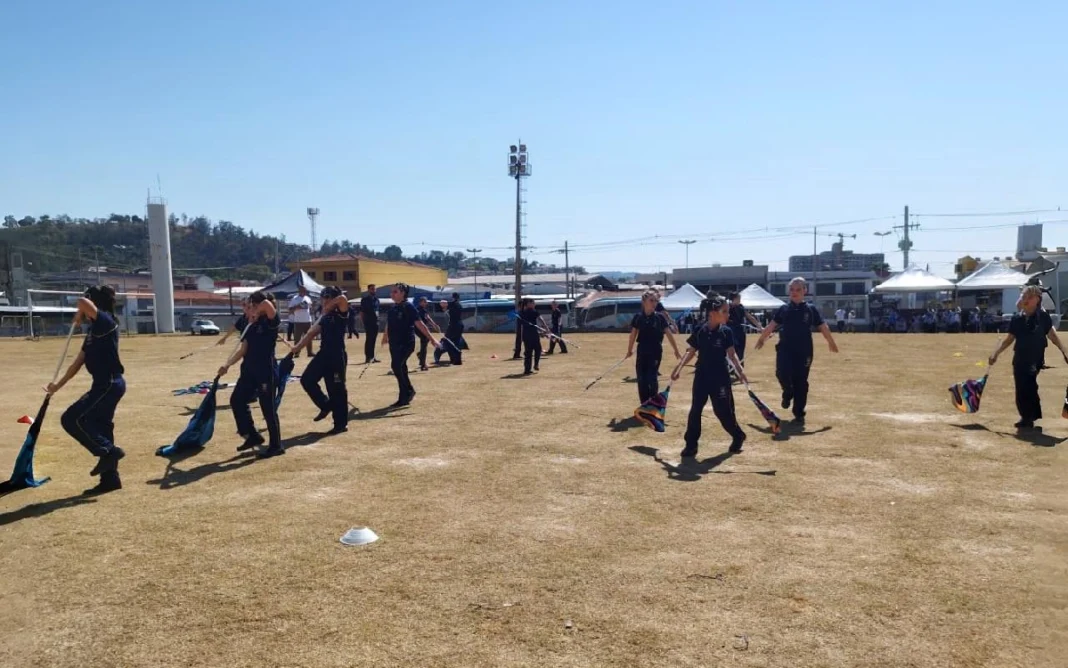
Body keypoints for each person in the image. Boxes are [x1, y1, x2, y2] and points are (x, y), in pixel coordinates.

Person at [46, 286, 127, 494]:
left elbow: (82, 302)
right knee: (101, 427)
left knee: (71, 419)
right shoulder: (93, 331)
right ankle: (110, 479)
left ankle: (109, 452)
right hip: (102, 384)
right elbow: (78, 363)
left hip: (109, 383)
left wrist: (79, 314)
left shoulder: (106, 321)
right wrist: (57, 386)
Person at [755, 277, 838, 427]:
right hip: (785, 349)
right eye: (792, 289)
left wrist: (831, 342)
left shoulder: (811, 310)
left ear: (805, 291)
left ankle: (799, 412)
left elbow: (823, 326)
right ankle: (787, 393)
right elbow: (772, 325)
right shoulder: (784, 309)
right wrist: (762, 339)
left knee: (801, 382)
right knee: (782, 373)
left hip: (804, 351)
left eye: (798, 289)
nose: (794, 292)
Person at [671, 295, 748, 459]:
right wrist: (678, 368)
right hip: (701, 376)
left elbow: (732, 356)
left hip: (720, 377)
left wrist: (741, 372)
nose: (728, 315)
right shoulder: (700, 330)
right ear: (713, 313)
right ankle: (691, 445)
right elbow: (690, 352)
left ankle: (738, 435)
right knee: (695, 410)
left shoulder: (726, 332)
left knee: (723, 412)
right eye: (725, 311)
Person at [988, 285, 1068, 430]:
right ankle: (1028, 416)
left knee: (1029, 385)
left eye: (1029, 297)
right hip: (1020, 358)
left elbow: (1052, 335)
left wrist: (1064, 351)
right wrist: (996, 354)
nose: (1025, 299)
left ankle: (1029, 416)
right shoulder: (1017, 319)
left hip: (1036, 358)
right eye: (1024, 297)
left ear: (1037, 300)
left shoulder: (1043, 317)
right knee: (1023, 387)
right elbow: (1009, 339)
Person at [219, 291, 283, 458]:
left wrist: (257, 306)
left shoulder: (270, 321)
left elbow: (267, 305)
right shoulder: (250, 324)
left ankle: (276, 445)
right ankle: (252, 435)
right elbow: (243, 350)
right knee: (237, 400)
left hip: (265, 370)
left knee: (267, 408)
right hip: (248, 370)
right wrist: (227, 365)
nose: (248, 310)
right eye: (248, 307)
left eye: (251, 306)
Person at [294, 286, 350, 434]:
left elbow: (343, 299)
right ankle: (325, 405)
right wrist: (298, 347)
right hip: (324, 353)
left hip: (337, 355)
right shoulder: (324, 316)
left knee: (337, 389)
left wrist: (330, 305)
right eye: (323, 298)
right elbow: (311, 333)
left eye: (327, 298)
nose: (324, 301)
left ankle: (340, 424)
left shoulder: (341, 312)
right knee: (307, 379)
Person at [383, 283, 439, 406]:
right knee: (401, 368)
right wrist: (385, 336)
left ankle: (406, 393)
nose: (392, 294)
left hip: (406, 343)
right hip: (394, 343)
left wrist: (432, 339)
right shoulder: (393, 309)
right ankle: (407, 392)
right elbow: (389, 324)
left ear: (403, 293)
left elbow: (420, 324)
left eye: (395, 291)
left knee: (396, 366)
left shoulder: (408, 307)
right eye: (392, 291)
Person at [626, 290, 682, 403]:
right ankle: (644, 403)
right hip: (642, 351)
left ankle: (654, 403)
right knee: (641, 379)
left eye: (656, 301)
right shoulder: (638, 317)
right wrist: (629, 350)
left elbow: (669, 334)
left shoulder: (660, 318)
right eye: (651, 300)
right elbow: (633, 334)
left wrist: (676, 350)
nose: (654, 303)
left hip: (655, 351)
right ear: (644, 302)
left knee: (651, 378)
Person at [727, 291, 763, 365]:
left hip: (740, 331)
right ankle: (732, 368)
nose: (740, 300)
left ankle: (740, 368)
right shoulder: (727, 307)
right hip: (730, 331)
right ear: (734, 299)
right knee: (733, 350)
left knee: (741, 350)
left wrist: (759, 326)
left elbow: (750, 317)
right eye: (738, 298)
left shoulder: (741, 307)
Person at [517, 298, 548, 375]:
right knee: (535, 350)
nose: (534, 304)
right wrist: (546, 328)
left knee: (529, 352)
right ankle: (534, 365)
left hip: (527, 334)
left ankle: (528, 369)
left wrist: (543, 330)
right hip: (532, 334)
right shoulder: (531, 311)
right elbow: (541, 319)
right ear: (528, 304)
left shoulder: (521, 313)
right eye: (533, 303)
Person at [415, 296, 441, 371]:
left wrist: (435, 325)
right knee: (424, 343)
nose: (426, 303)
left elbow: (428, 318)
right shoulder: (418, 310)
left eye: (426, 302)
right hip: (419, 329)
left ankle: (421, 357)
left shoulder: (424, 310)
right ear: (420, 302)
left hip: (424, 329)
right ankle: (423, 364)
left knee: (425, 343)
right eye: (424, 302)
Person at [288, 286, 313, 358]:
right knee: (297, 338)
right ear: (299, 291)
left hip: (308, 320)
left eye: (305, 290)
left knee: (309, 337)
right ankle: (296, 352)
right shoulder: (294, 299)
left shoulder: (308, 298)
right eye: (303, 290)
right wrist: (297, 306)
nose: (305, 291)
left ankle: (310, 352)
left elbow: (310, 307)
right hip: (298, 321)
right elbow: (290, 310)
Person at [360, 284, 380, 364]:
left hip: (376, 322)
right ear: (368, 290)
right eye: (372, 289)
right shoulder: (365, 300)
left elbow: (378, 311)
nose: (373, 290)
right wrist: (364, 322)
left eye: (374, 289)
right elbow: (362, 312)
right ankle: (368, 357)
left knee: (373, 340)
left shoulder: (377, 300)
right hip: (368, 322)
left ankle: (372, 356)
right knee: (369, 339)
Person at [445, 292, 465, 365]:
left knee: (448, 341)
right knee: (457, 342)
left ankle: (453, 359)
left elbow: (444, 305)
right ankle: (458, 360)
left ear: (453, 297)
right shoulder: (459, 305)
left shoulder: (452, 304)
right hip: (460, 324)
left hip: (453, 325)